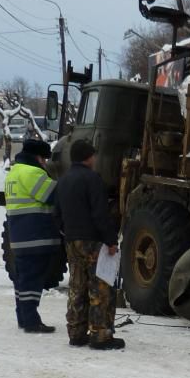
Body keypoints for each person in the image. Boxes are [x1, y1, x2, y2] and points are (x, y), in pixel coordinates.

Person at [56, 139, 124, 350]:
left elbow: (56, 214)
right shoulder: (92, 179)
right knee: (100, 287)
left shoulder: (64, 180)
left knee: (77, 287)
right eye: (93, 155)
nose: (95, 158)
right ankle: (100, 335)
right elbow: (100, 214)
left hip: (72, 241)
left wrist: (67, 234)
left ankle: (76, 332)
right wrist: (111, 240)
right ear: (88, 157)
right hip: (93, 242)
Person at [4, 138, 61, 333]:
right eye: (44, 159)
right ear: (37, 157)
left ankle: (23, 317)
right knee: (32, 281)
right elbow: (53, 195)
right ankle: (31, 321)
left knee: (23, 281)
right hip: (35, 235)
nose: (45, 163)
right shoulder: (32, 172)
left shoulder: (14, 172)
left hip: (20, 236)